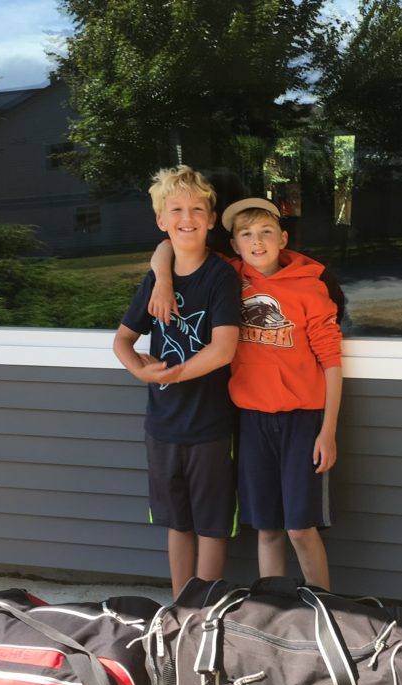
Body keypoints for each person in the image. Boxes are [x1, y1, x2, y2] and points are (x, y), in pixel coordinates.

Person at [149, 198, 343, 590]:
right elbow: (170, 245)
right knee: (266, 527)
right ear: (234, 245)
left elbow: (332, 362)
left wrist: (328, 430)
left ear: (283, 238)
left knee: (300, 528)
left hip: (302, 421)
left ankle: (325, 610)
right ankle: (273, 612)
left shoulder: (310, 286)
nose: (257, 242)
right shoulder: (229, 275)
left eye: (266, 232)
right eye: (246, 235)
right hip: (251, 421)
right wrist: (163, 280)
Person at [112, 165, 241, 596]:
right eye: (177, 210)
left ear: (210, 218)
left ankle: (206, 614)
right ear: (162, 221)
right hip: (162, 426)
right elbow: (123, 341)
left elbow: (223, 349)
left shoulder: (221, 276)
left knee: (211, 524)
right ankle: (181, 610)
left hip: (210, 425)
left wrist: (173, 373)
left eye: (197, 209)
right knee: (177, 522)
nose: (187, 217)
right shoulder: (155, 279)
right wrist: (140, 370)